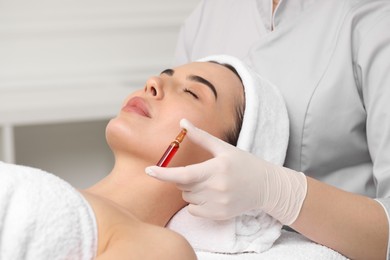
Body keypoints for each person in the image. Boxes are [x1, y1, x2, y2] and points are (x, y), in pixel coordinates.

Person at [146, 0, 390, 259]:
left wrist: (279, 192)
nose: (153, 85)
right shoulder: (208, 16)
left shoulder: (374, 18)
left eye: (193, 92)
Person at [1, 55, 281, 259]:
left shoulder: (162, 250)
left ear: (223, 160)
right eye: (164, 75)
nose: (153, 82)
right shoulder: (51, 192)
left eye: (192, 93)